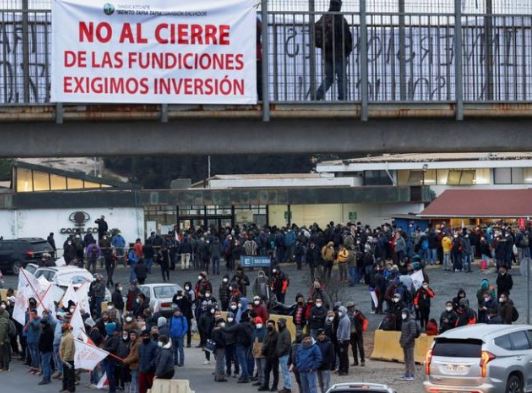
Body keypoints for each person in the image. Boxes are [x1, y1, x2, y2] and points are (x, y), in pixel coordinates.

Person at [314, 0, 353, 101]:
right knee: (342, 78)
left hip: (327, 54)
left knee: (329, 78)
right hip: (339, 54)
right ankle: (343, 99)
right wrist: (348, 51)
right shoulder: (340, 19)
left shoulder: (324, 18)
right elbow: (347, 36)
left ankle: (317, 96)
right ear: (339, 6)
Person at [259, 319, 278, 391]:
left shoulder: (276, 334)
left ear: (274, 325)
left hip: (274, 356)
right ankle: (265, 385)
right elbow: (265, 343)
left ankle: (274, 386)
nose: (269, 326)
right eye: (268, 325)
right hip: (267, 355)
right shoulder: (267, 333)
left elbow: (277, 346)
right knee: (266, 370)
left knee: (275, 372)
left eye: (270, 325)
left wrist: (275, 354)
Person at [399, 309, 416, 381]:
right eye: (402, 313)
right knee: (406, 359)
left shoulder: (411, 322)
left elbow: (413, 333)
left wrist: (407, 341)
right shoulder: (404, 322)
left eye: (404, 313)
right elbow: (403, 333)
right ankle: (407, 373)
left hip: (410, 344)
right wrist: (401, 340)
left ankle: (412, 374)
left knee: (410, 359)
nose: (403, 315)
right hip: (404, 343)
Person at [316, 329, 334, 393]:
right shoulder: (316, 344)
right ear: (317, 336)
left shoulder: (329, 343)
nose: (321, 336)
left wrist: (331, 365)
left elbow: (332, 355)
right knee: (320, 383)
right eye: (320, 335)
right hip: (318, 367)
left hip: (326, 367)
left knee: (326, 384)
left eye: (323, 335)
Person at [59, 323, 76, 393]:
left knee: (70, 375)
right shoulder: (65, 336)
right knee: (65, 375)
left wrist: (64, 359)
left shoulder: (68, 337)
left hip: (68, 359)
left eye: (62, 328)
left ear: (65, 329)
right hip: (65, 359)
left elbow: (68, 350)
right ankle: (65, 387)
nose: (61, 329)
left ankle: (70, 389)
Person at [252, 317, 266, 387]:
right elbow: (252, 338)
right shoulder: (255, 330)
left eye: (259, 323)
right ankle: (259, 381)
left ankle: (263, 382)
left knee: (263, 367)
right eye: (257, 323)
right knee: (258, 367)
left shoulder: (265, 331)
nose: (258, 324)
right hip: (256, 350)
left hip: (263, 351)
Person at [336, 306, 350, 376]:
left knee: (343, 355)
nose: (339, 313)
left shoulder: (345, 319)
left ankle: (344, 369)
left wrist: (341, 339)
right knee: (343, 355)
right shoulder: (342, 318)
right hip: (342, 339)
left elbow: (344, 331)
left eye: (340, 311)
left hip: (344, 340)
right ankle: (343, 369)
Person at [0, 304, 11, 371]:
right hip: (6, 339)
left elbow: (2, 331)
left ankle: (5, 367)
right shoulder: (5, 317)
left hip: (4, 339)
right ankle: (4, 367)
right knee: (5, 353)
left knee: (4, 354)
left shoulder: (3, 320)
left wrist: (1, 340)